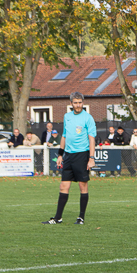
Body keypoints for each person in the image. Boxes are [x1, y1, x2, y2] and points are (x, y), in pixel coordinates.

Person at [43, 91, 96, 225]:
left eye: (80, 102)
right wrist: (60, 155)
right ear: (71, 103)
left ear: (83, 103)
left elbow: (91, 139)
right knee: (63, 186)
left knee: (82, 186)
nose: (78, 105)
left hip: (82, 155)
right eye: (75, 103)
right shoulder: (67, 116)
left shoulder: (88, 118)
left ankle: (81, 217)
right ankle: (57, 218)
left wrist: (91, 157)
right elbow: (64, 136)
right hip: (68, 156)